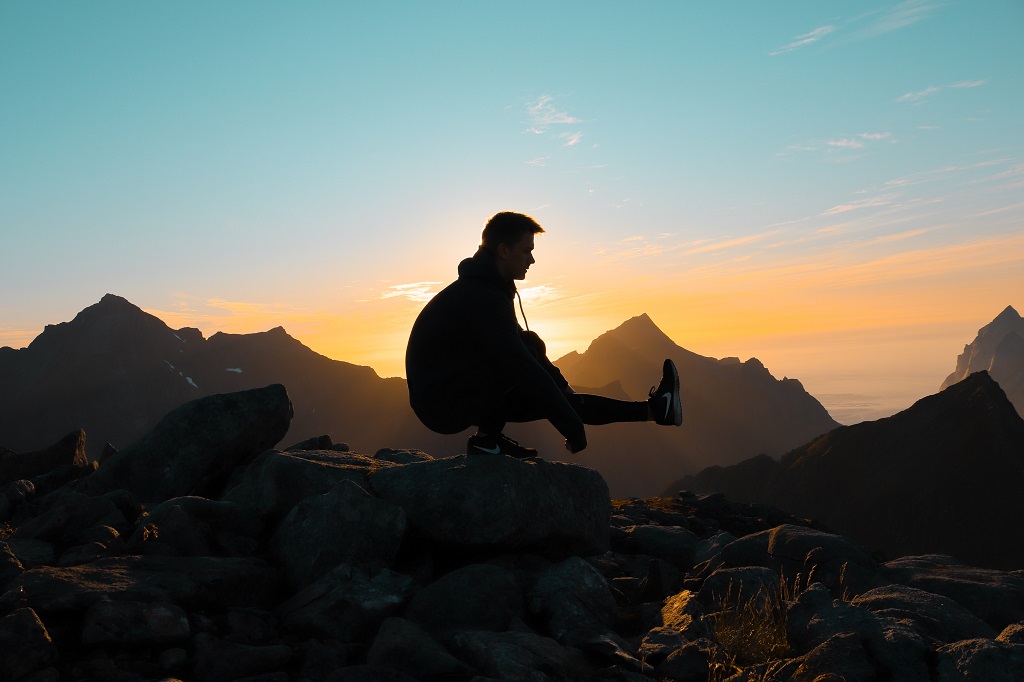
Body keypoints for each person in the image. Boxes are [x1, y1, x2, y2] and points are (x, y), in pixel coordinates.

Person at [405, 211, 683, 459]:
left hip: (453, 388)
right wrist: (572, 425)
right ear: (503, 250)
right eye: (526, 251)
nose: (532, 259)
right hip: (442, 404)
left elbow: (525, 350)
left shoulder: (486, 291)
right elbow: (520, 366)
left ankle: (487, 442)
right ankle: (656, 410)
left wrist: (563, 389)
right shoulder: (483, 298)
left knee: (529, 344)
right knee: (525, 368)